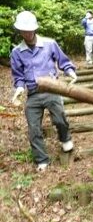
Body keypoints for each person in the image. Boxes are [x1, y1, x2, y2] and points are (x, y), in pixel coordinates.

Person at [10, 11, 78, 172]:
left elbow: (63, 61)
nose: (27, 33)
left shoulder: (49, 44)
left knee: (60, 118)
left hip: (51, 89)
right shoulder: (16, 52)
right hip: (33, 94)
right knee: (33, 128)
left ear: (34, 29)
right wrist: (19, 88)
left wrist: (70, 71)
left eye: (29, 30)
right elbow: (18, 76)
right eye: (23, 30)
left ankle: (65, 138)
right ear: (19, 31)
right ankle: (42, 160)